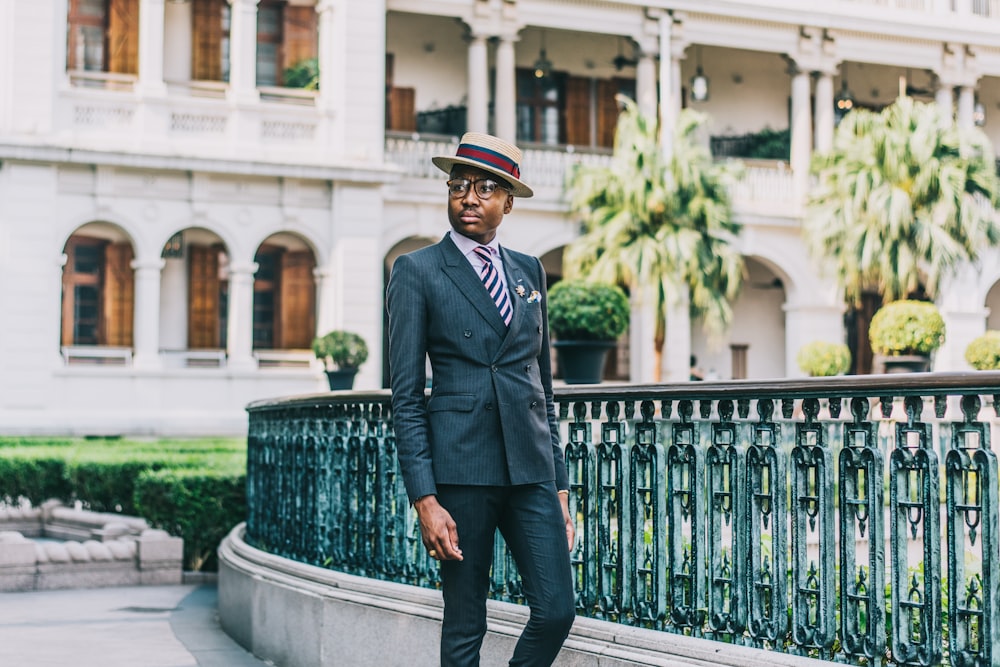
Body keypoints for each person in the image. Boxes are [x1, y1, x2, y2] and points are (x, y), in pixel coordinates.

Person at [386, 132, 576, 667]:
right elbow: (405, 396)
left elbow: (544, 386)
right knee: (466, 621)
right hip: (462, 470)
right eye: (460, 185)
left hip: (531, 469)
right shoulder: (417, 270)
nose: (470, 197)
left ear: (508, 202)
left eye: (487, 188)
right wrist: (425, 499)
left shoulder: (529, 271)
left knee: (557, 609)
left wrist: (559, 486)